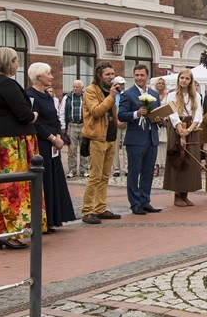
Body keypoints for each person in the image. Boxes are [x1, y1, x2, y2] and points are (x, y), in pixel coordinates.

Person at [0, 47, 45, 248]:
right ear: (8, 63)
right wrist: (34, 116)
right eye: (16, 61)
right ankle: (11, 232)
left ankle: (0, 231)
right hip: (10, 145)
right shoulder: (6, 84)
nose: (18, 64)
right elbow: (24, 114)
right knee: (13, 188)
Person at [26, 63, 76, 232]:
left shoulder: (47, 96)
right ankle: (41, 221)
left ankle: (53, 218)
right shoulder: (31, 96)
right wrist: (53, 138)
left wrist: (59, 136)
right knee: (44, 181)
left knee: (54, 180)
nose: (52, 76)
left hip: (53, 145)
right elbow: (35, 123)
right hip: (42, 144)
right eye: (49, 73)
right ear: (39, 76)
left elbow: (54, 118)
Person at [80, 62, 123, 225]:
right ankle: (87, 210)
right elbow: (96, 112)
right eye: (107, 74)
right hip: (97, 138)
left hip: (111, 137)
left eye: (112, 74)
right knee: (95, 176)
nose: (111, 77)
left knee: (105, 176)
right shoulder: (91, 91)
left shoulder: (110, 91)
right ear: (99, 76)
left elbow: (113, 113)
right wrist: (111, 97)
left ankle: (100, 207)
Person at [118, 65, 163, 215]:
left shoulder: (154, 95)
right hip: (135, 139)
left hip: (151, 138)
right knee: (134, 172)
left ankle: (145, 201)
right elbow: (121, 115)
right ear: (133, 76)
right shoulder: (128, 94)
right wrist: (136, 113)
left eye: (142, 75)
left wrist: (159, 119)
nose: (139, 78)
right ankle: (135, 203)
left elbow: (158, 115)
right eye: (137, 75)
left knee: (148, 172)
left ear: (147, 76)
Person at [163, 69, 203, 207]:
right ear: (178, 79)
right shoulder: (172, 95)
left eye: (187, 78)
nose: (184, 81)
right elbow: (172, 113)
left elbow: (198, 114)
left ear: (190, 81)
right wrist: (180, 128)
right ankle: (177, 195)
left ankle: (185, 194)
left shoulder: (196, 96)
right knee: (178, 159)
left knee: (190, 162)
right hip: (176, 129)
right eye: (182, 78)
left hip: (191, 129)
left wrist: (190, 129)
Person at [59, 80, 88, 178]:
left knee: (84, 148)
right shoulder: (67, 97)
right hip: (71, 125)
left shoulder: (86, 97)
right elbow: (62, 111)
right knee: (72, 149)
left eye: (77, 87)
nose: (75, 89)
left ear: (82, 88)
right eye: (74, 87)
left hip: (84, 125)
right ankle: (72, 170)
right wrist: (63, 126)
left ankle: (84, 170)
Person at [154, 77, 169, 177]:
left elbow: (170, 108)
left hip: (165, 124)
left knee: (165, 146)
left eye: (162, 83)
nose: (160, 85)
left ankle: (165, 166)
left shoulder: (168, 96)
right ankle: (156, 166)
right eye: (159, 83)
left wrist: (166, 119)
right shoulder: (152, 95)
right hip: (155, 123)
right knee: (156, 146)